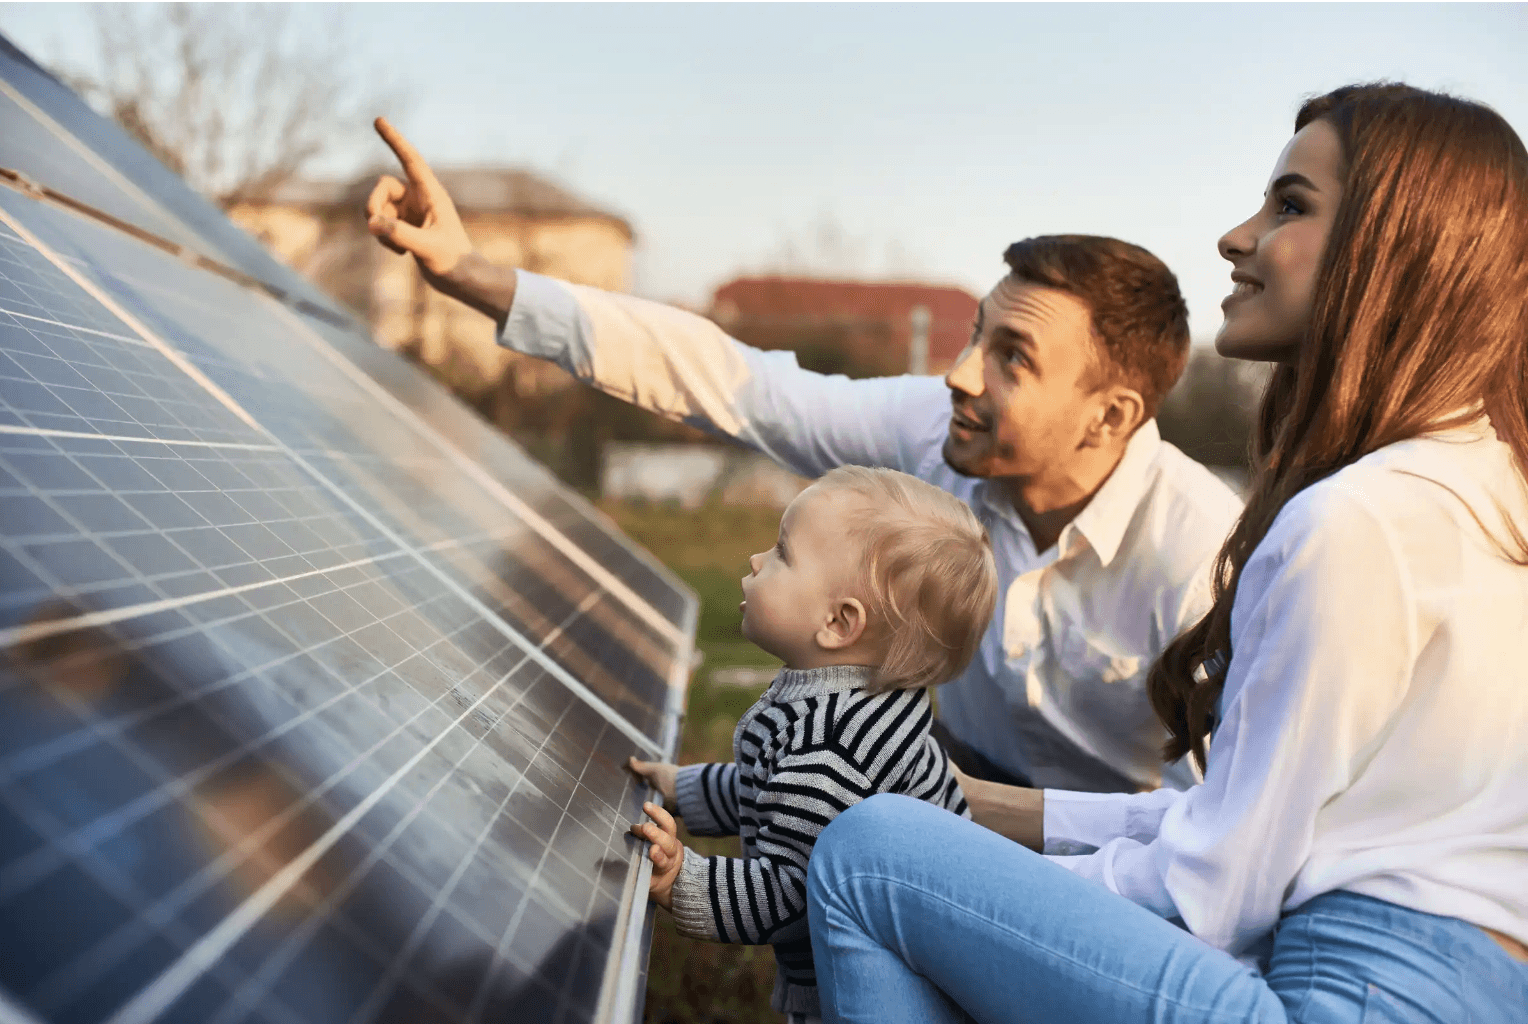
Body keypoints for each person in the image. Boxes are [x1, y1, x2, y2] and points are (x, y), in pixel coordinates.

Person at [800, 82, 1528, 1023]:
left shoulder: (1357, 522)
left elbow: (1216, 890)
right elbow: (1246, 813)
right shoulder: (1490, 490)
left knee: (870, 856)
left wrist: (971, 895)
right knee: (915, 837)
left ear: (1397, 251)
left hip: (1340, 998)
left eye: (1291, 206)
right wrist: (974, 810)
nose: (1237, 236)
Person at [364, 121, 1243, 795]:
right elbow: (733, 382)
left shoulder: (1203, 557)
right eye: (978, 333)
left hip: (1117, 859)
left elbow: (1212, 835)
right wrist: (474, 276)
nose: (961, 372)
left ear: (1109, 415)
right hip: (954, 779)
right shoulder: (939, 431)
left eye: (1013, 356)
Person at [623, 465, 997, 1024]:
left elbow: (790, 892)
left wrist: (684, 881)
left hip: (871, 986)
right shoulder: (856, 705)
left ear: (839, 623)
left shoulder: (831, 749)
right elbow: (771, 788)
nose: (756, 560)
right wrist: (684, 788)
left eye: (780, 553)